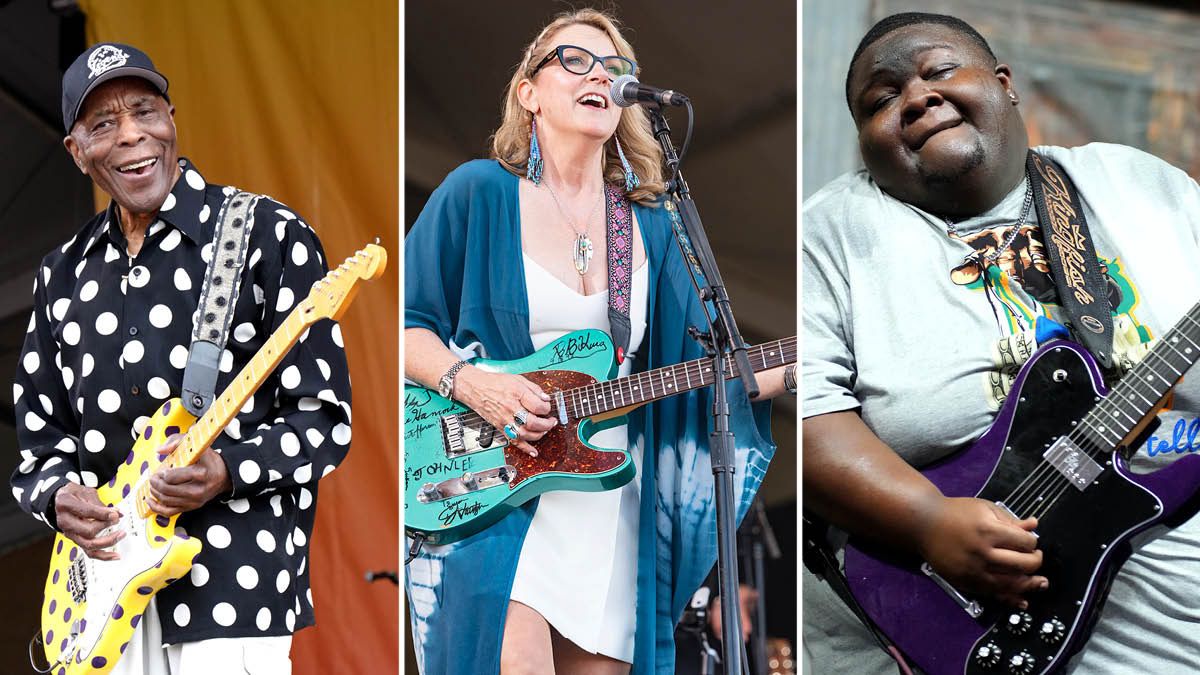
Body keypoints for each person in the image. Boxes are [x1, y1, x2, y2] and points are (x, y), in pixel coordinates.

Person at [803, 11, 1200, 673]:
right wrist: (929, 520)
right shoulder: (829, 233)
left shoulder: (1137, 183)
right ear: (863, 141)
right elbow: (812, 416)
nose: (917, 96)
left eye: (939, 70)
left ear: (1005, 84)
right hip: (961, 628)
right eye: (881, 100)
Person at [403, 8, 787, 674]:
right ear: (530, 93)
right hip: (490, 488)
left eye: (616, 68)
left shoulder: (653, 224)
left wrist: (800, 365)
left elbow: (701, 375)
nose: (600, 75)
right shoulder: (477, 194)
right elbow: (400, 326)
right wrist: (474, 383)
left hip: (608, 504)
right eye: (574, 60)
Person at [10, 43, 352, 673]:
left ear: (172, 118)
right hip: (101, 597)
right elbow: (40, 444)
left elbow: (325, 423)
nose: (133, 135)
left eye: (145, 111)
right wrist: (59, 495)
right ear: (76, 150)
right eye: (103, 124)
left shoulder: (264, 233)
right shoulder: (62, 274)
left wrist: (227, 469)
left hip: (234, 587)